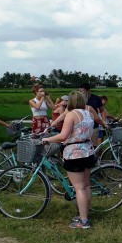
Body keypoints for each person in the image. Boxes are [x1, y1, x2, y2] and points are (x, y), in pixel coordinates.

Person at [42, 91, 98, 230]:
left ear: (71, 102)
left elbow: (63, 136)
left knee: (78, 188)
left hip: (74, 153)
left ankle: (83, 221)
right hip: (88, 151)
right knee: (86, 186)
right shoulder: (88, 113)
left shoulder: (71, 115)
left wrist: (47, 139)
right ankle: (85, 214)